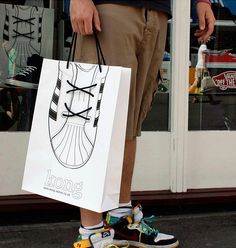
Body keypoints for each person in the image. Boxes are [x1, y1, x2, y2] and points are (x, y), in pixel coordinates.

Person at [69, 0, 215, 248]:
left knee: (130, 122)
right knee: (96, 119)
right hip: (109, 8)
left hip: (156, 12)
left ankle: (120, 221)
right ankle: (91, 233)